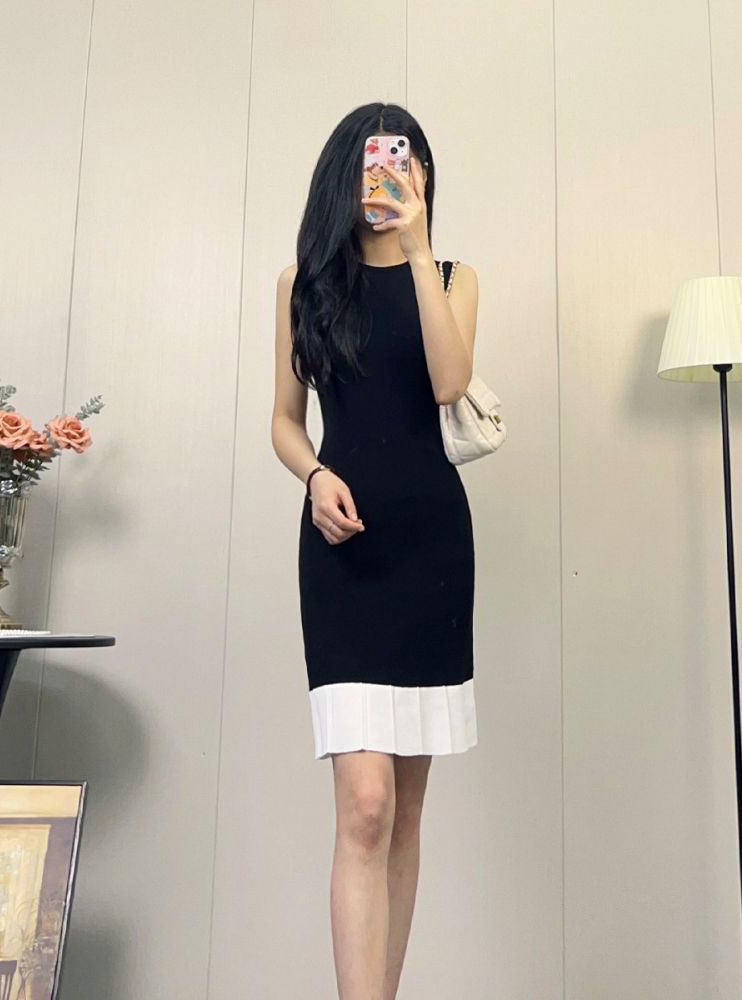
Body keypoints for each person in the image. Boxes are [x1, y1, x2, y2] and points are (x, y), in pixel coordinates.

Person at [271, 101, 479, 999]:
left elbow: (449, 382)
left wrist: (420, 246)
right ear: (343, 175)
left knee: (405, 816)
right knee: (365, 806)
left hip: (432, 554)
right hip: (343, 560)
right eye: (372, 162)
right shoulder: (304, 284)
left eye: (404, 162)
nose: (388, 176)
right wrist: (315, 475)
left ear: (422, 175)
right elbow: (284, 422)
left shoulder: (455, 277)